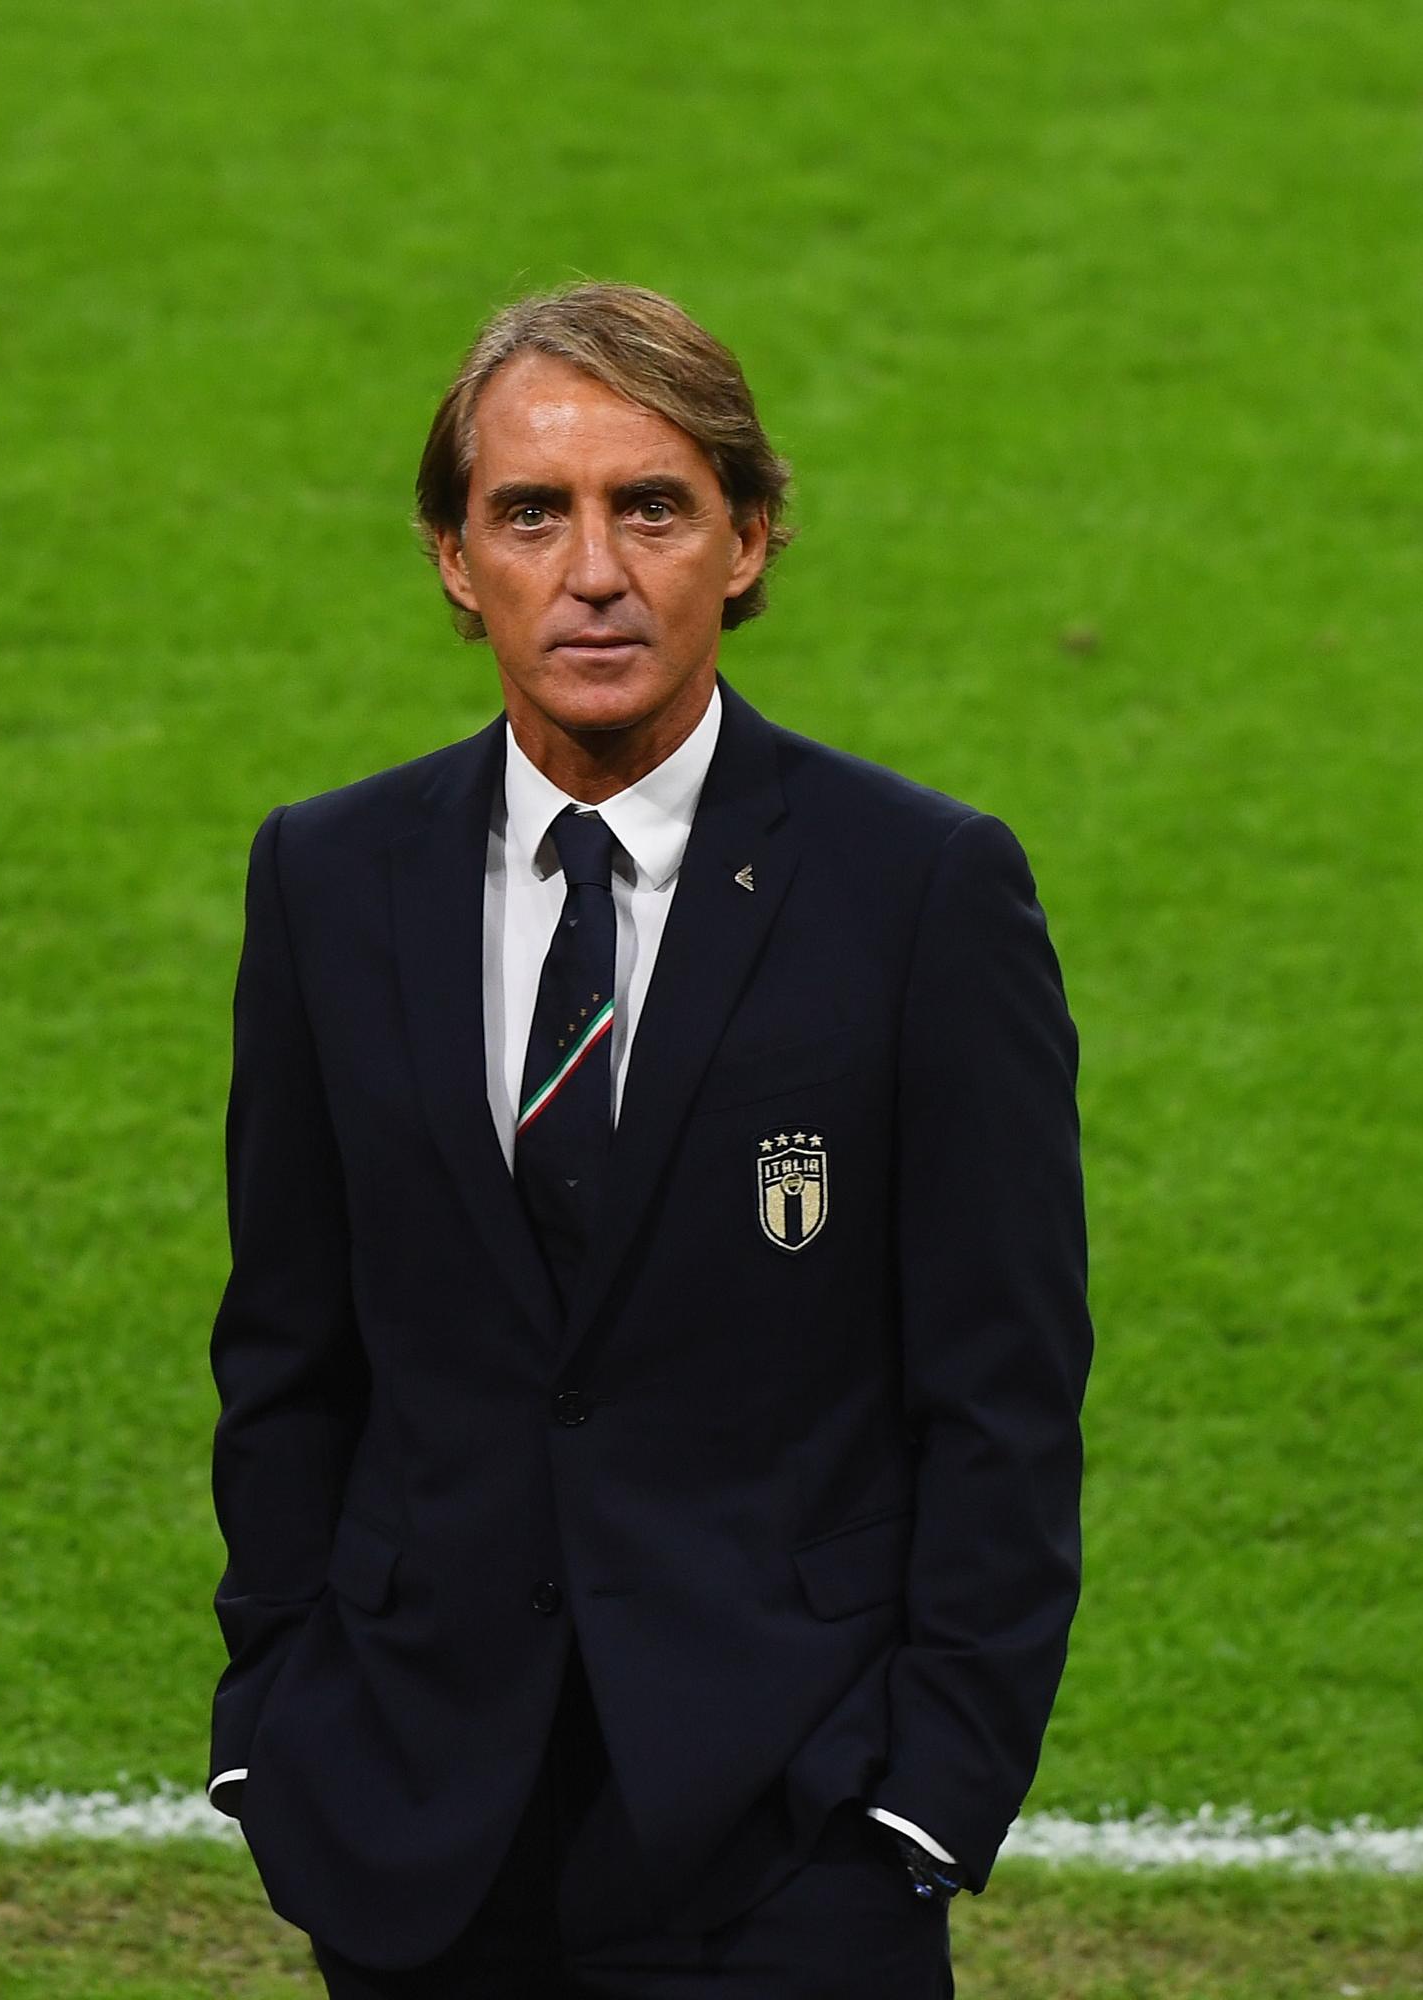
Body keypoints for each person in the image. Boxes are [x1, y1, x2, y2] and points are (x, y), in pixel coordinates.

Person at [204, 284, 1090, 1996]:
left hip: (791, 1841)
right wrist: (272, 1714)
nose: (593, 569)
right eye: (532, 512)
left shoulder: (921, 893)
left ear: (748, 542)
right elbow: (289, 1348)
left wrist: (928, 1797)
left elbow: (1002, 1388)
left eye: (654, 507)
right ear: (457, 559)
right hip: (417, 1825)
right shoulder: (328, 878)